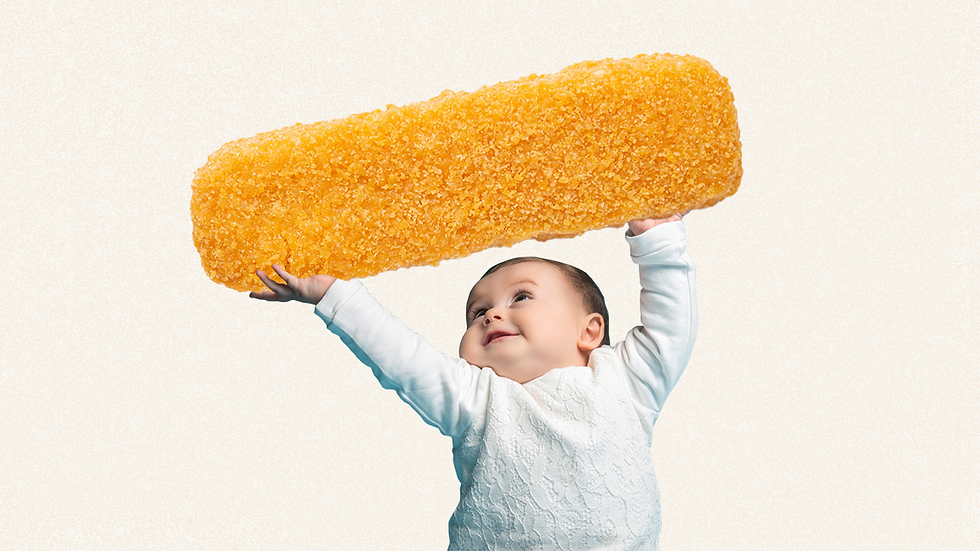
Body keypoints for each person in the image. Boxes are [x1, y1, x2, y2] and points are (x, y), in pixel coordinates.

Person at [251, 213, 696, 550]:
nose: (491, 314)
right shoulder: (477, 399)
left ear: (589, 332)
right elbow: (403, 358)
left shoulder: (626, 382)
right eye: (477, 313)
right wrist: (333, 294)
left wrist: (657, 238)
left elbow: (670, 327)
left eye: (521, 296)